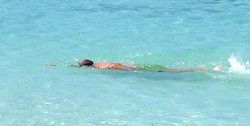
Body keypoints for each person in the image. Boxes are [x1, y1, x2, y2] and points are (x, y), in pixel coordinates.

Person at [77, 58, 211, 73]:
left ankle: (198, 69)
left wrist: (131, 71)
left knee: (170, 71)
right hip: (137, 65)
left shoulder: (101, 67)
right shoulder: (99, 62)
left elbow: (114, 65)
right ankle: (196, 68)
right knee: (167, 69)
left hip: (136, 68)